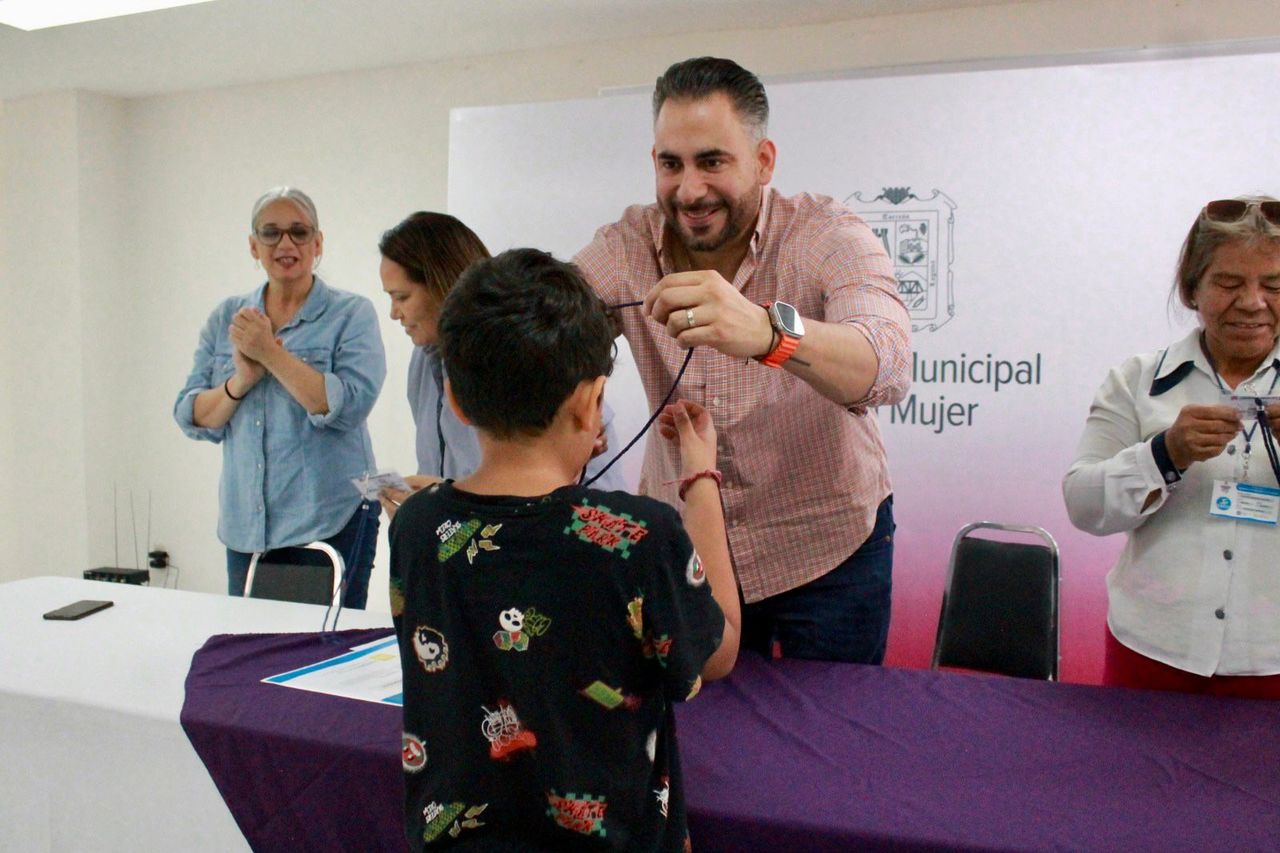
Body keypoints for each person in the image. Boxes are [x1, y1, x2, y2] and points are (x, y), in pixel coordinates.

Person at [389, 248, 739, 850]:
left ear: (455, 400)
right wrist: (700, 479)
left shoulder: (417, 524)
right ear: (590, 401)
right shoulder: (639, 535)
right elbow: (716, 650)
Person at [574, 57, 911, 664]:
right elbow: (546, 320)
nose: (689, 190)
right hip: (689, 547)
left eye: (712, 162)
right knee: (701, 718)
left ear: (763, 161)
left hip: (828, 550)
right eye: (671, 164)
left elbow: (887, 365)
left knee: (833, 721)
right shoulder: (624, 246)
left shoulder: (825, 233)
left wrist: (767, 332)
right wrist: (569, 400)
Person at [1064, 196, 1280, 697]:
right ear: (1191, 288)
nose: (1252, 302)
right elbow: (1083, 505)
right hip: (1152, 654)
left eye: (1274, 285)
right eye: (1228, 283)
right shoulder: (1136, 380)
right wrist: (1163, 455)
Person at [175, 187, 386, 608]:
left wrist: (270, 353)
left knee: (324, 643)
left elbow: (349, 406)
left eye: (298, 232)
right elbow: (192, 414)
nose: (285, 244)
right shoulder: (227, 316)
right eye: (271, 233)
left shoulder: (351, 314)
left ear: (318, 243)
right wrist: (241, 382)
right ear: (253, 246)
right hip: (247, 527)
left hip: (332, 519)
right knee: (253, 640)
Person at [375, 212, 626, 519]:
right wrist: (434, 507)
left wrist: (447, 503)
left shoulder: (530, 356)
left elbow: (587, 505)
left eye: (401, 297)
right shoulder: (424, 363)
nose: (393, 313)